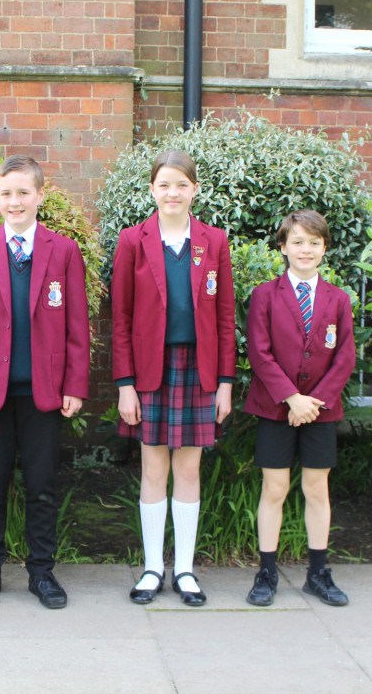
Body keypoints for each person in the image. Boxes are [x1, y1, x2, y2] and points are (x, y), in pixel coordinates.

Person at [0, 155, 90, 610]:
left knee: (42, 484)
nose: (15, 201)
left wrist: (75, 384)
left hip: (44, 391)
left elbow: (76, 325)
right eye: (6, 193)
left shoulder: (63, 251)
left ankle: (42, 572)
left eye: (23, 192)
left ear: (40, 196)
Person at [112, 149, 236, 607]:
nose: (173, 192)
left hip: (199, 371)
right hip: (150, 371)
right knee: (153, 469)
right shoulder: (133, 241)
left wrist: (225, 381)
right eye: (164, 184)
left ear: (194, 190)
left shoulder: (214, 242)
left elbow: (226, 319)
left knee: (188, 469)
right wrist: (125, 384)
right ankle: (151, 568)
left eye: (182, 184)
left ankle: (184, 569)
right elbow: (120, 317)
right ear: (152, 190)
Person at [243, 209, 356, 607]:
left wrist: (312, 403)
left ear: (324, 248)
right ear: (283, 248)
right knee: (274, 488)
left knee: (316, 488)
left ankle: (317, 574)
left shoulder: (338, 300)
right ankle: (267, 572)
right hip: (276, 407)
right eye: (297, 242)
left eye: (314, 242)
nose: (305, 250)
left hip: (321, 411)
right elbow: (259, 352)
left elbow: (344, 358)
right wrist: (291, 398)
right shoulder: (264, 295)